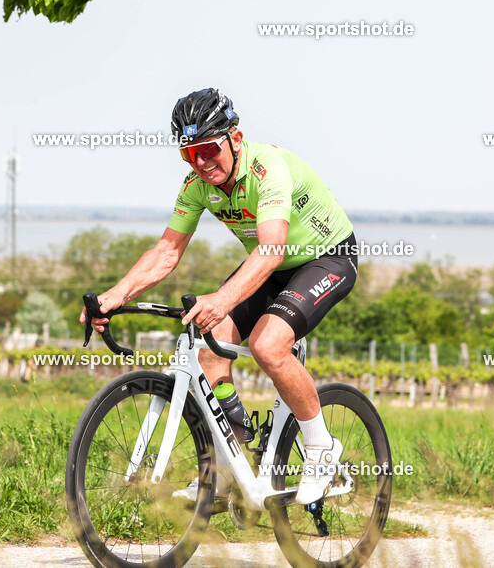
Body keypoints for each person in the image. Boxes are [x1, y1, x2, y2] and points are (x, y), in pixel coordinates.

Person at [81, 87, 358, 505]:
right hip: (271, 266)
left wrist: (223, 300)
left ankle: (321, 448)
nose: (201, 162)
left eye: (209, 148)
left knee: (268, 344)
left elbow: (271, 249)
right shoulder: (196, 185)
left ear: (236, 138)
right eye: (189, 154)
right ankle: (234, 458)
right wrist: (115, 295)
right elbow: (167, 251)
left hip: (325, 258)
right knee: (208, 347)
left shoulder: (268, 169)